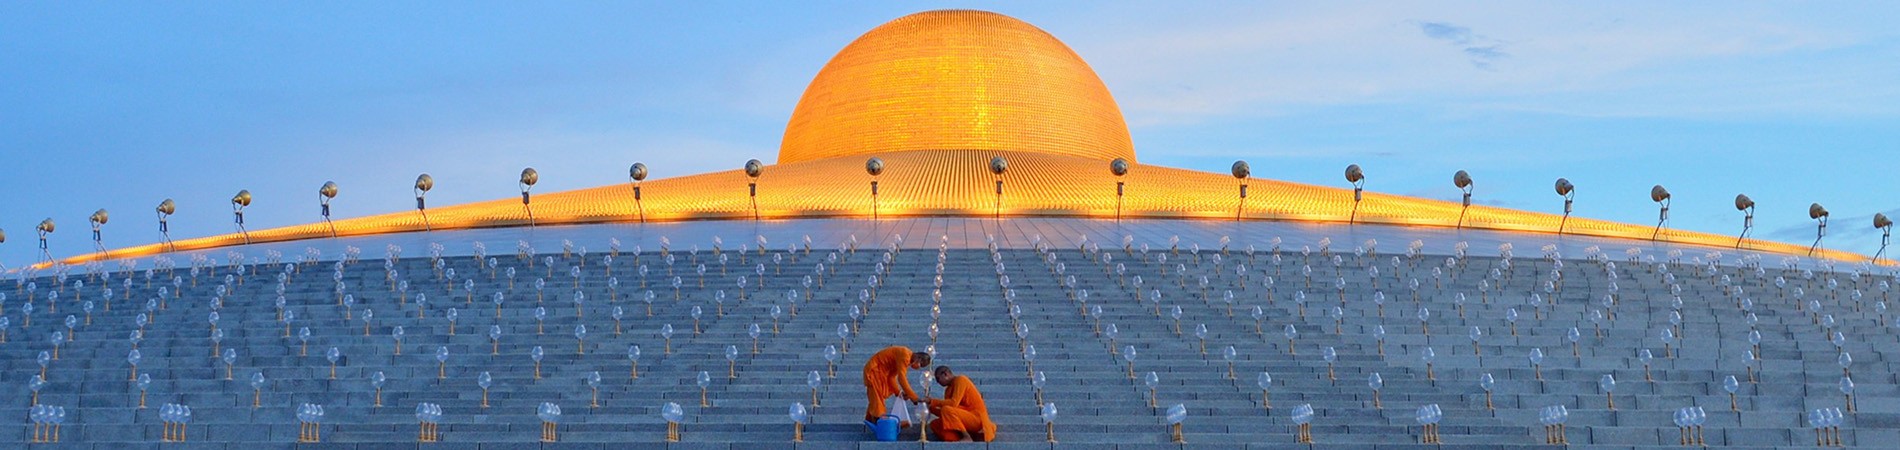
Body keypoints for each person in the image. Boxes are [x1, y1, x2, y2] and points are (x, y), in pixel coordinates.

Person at [863, 346, 931, 426]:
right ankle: (880, 423)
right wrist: (914, 397)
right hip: (874, 371)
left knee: (876, 398)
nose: (918, 366)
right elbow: (902, 379)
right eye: (921, 364)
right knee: (877, 399)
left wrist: (898, 392)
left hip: (881, 374)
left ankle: (871, 422)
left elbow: (891, 377)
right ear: (919, 358)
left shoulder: (906, 359)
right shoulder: (905, 355)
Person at [927, 365, 995, 442]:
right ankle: (957, 438)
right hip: (964, 419)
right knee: (935, 424)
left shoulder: (961, 380)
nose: (938, 382)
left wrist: (932, 401)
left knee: (947, 409)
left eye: (938, 379)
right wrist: (930, 408)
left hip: (976, 418)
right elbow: (947, 414)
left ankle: (967, 437)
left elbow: (953, 404)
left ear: (945, 374)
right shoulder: (948, 390)